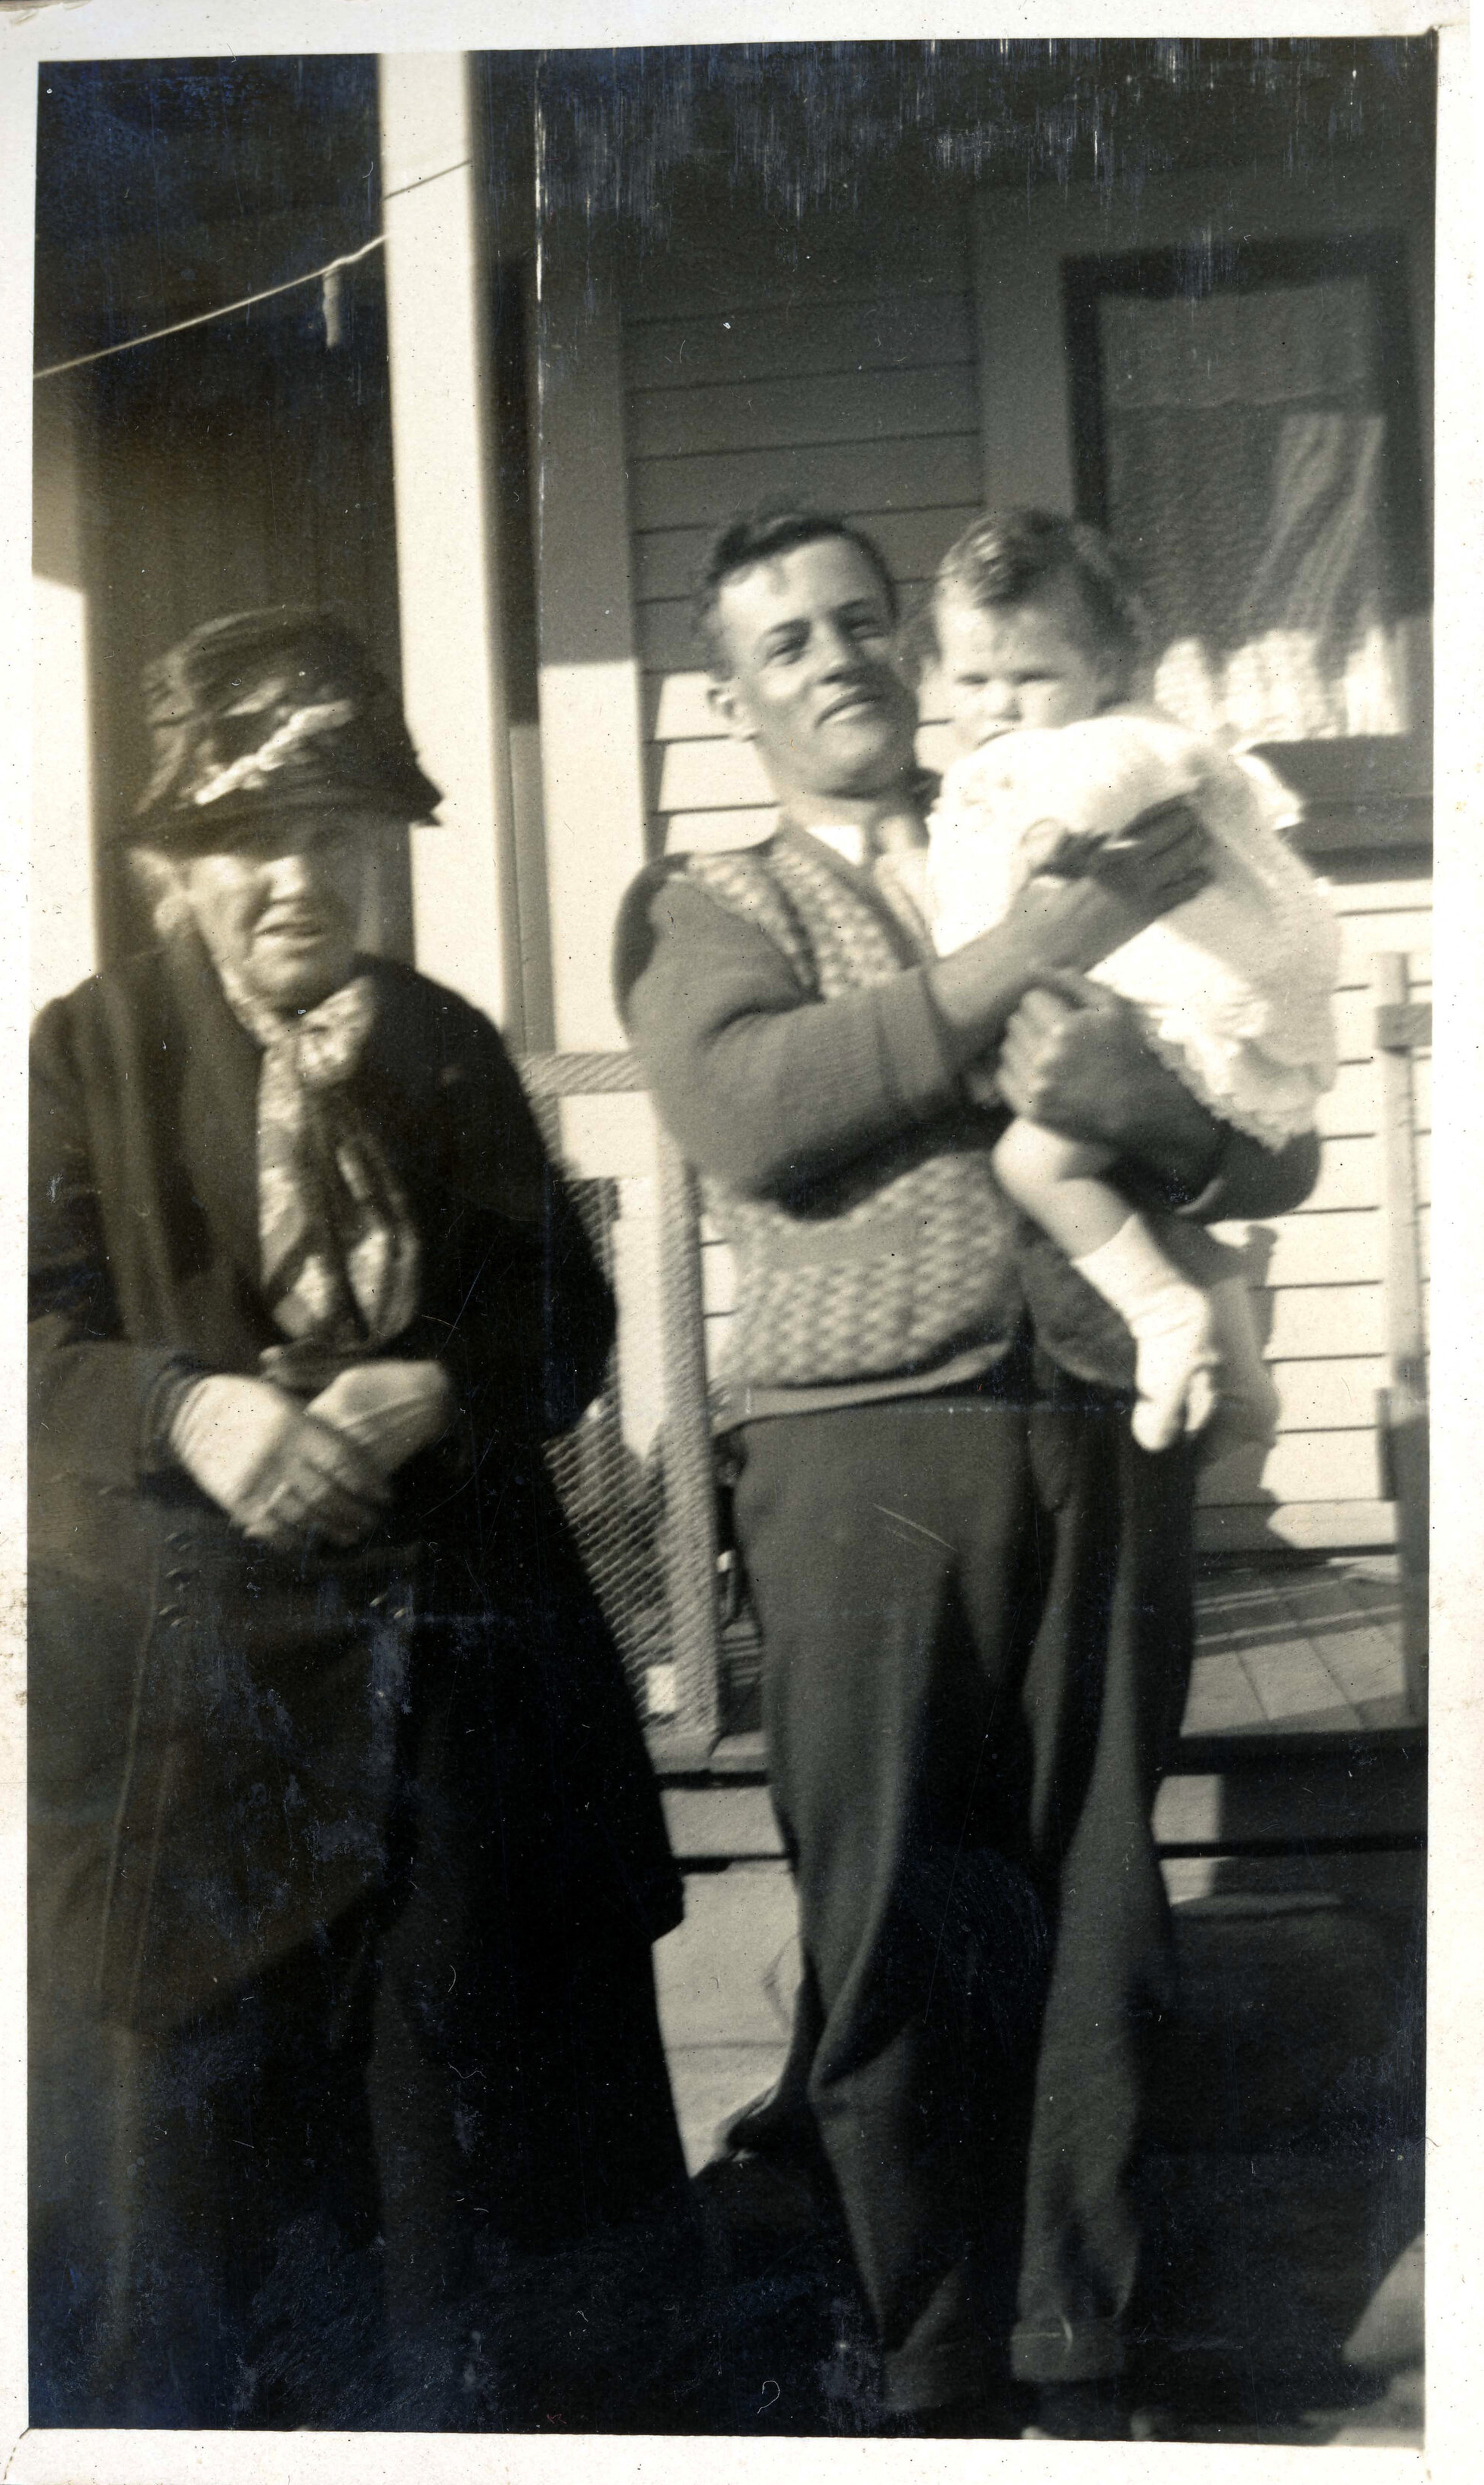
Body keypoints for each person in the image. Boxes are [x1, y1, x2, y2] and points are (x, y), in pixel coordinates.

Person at [613, 505, 1321, 2438]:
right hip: (865, 1459)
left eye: (862, 623)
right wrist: (1029, 958)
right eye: (786, 642)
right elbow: (758, 1109)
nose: (835, 659)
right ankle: (923, 2367)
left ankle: (1076, 2351)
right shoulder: (711, 898)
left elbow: (1270, 1137)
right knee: (890, 1919)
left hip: (1096, 1424)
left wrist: (1144, 1109)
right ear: (733, 694)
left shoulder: (1056, 808)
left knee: (1100, 1905)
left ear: (913, 656)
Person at [28, 610, 688, 2431]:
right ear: (177, 864)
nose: (299, 875)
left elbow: (567, 1312)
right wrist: (196, 1405)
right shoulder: (83, 1055)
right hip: (203, 1739)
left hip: (461, 1730)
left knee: (465, 2211)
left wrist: (454, 1385)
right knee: (212, 2219)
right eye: (253, 837)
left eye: (335, 830)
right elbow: (29, 1334)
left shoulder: (448, 1048)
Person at [920, 510, 1340, 1453]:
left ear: (1104, 671)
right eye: (971, 679)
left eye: (1031, 677)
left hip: (1168, 1011)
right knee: (1135, 1195)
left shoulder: (1102, 741)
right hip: (1111, 1023)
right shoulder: (982, 770)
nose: (998, 704)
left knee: (1034, 1163)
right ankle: (1238, 1377)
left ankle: (1162, 1320)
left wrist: (1053, 822)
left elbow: (1122, 770)